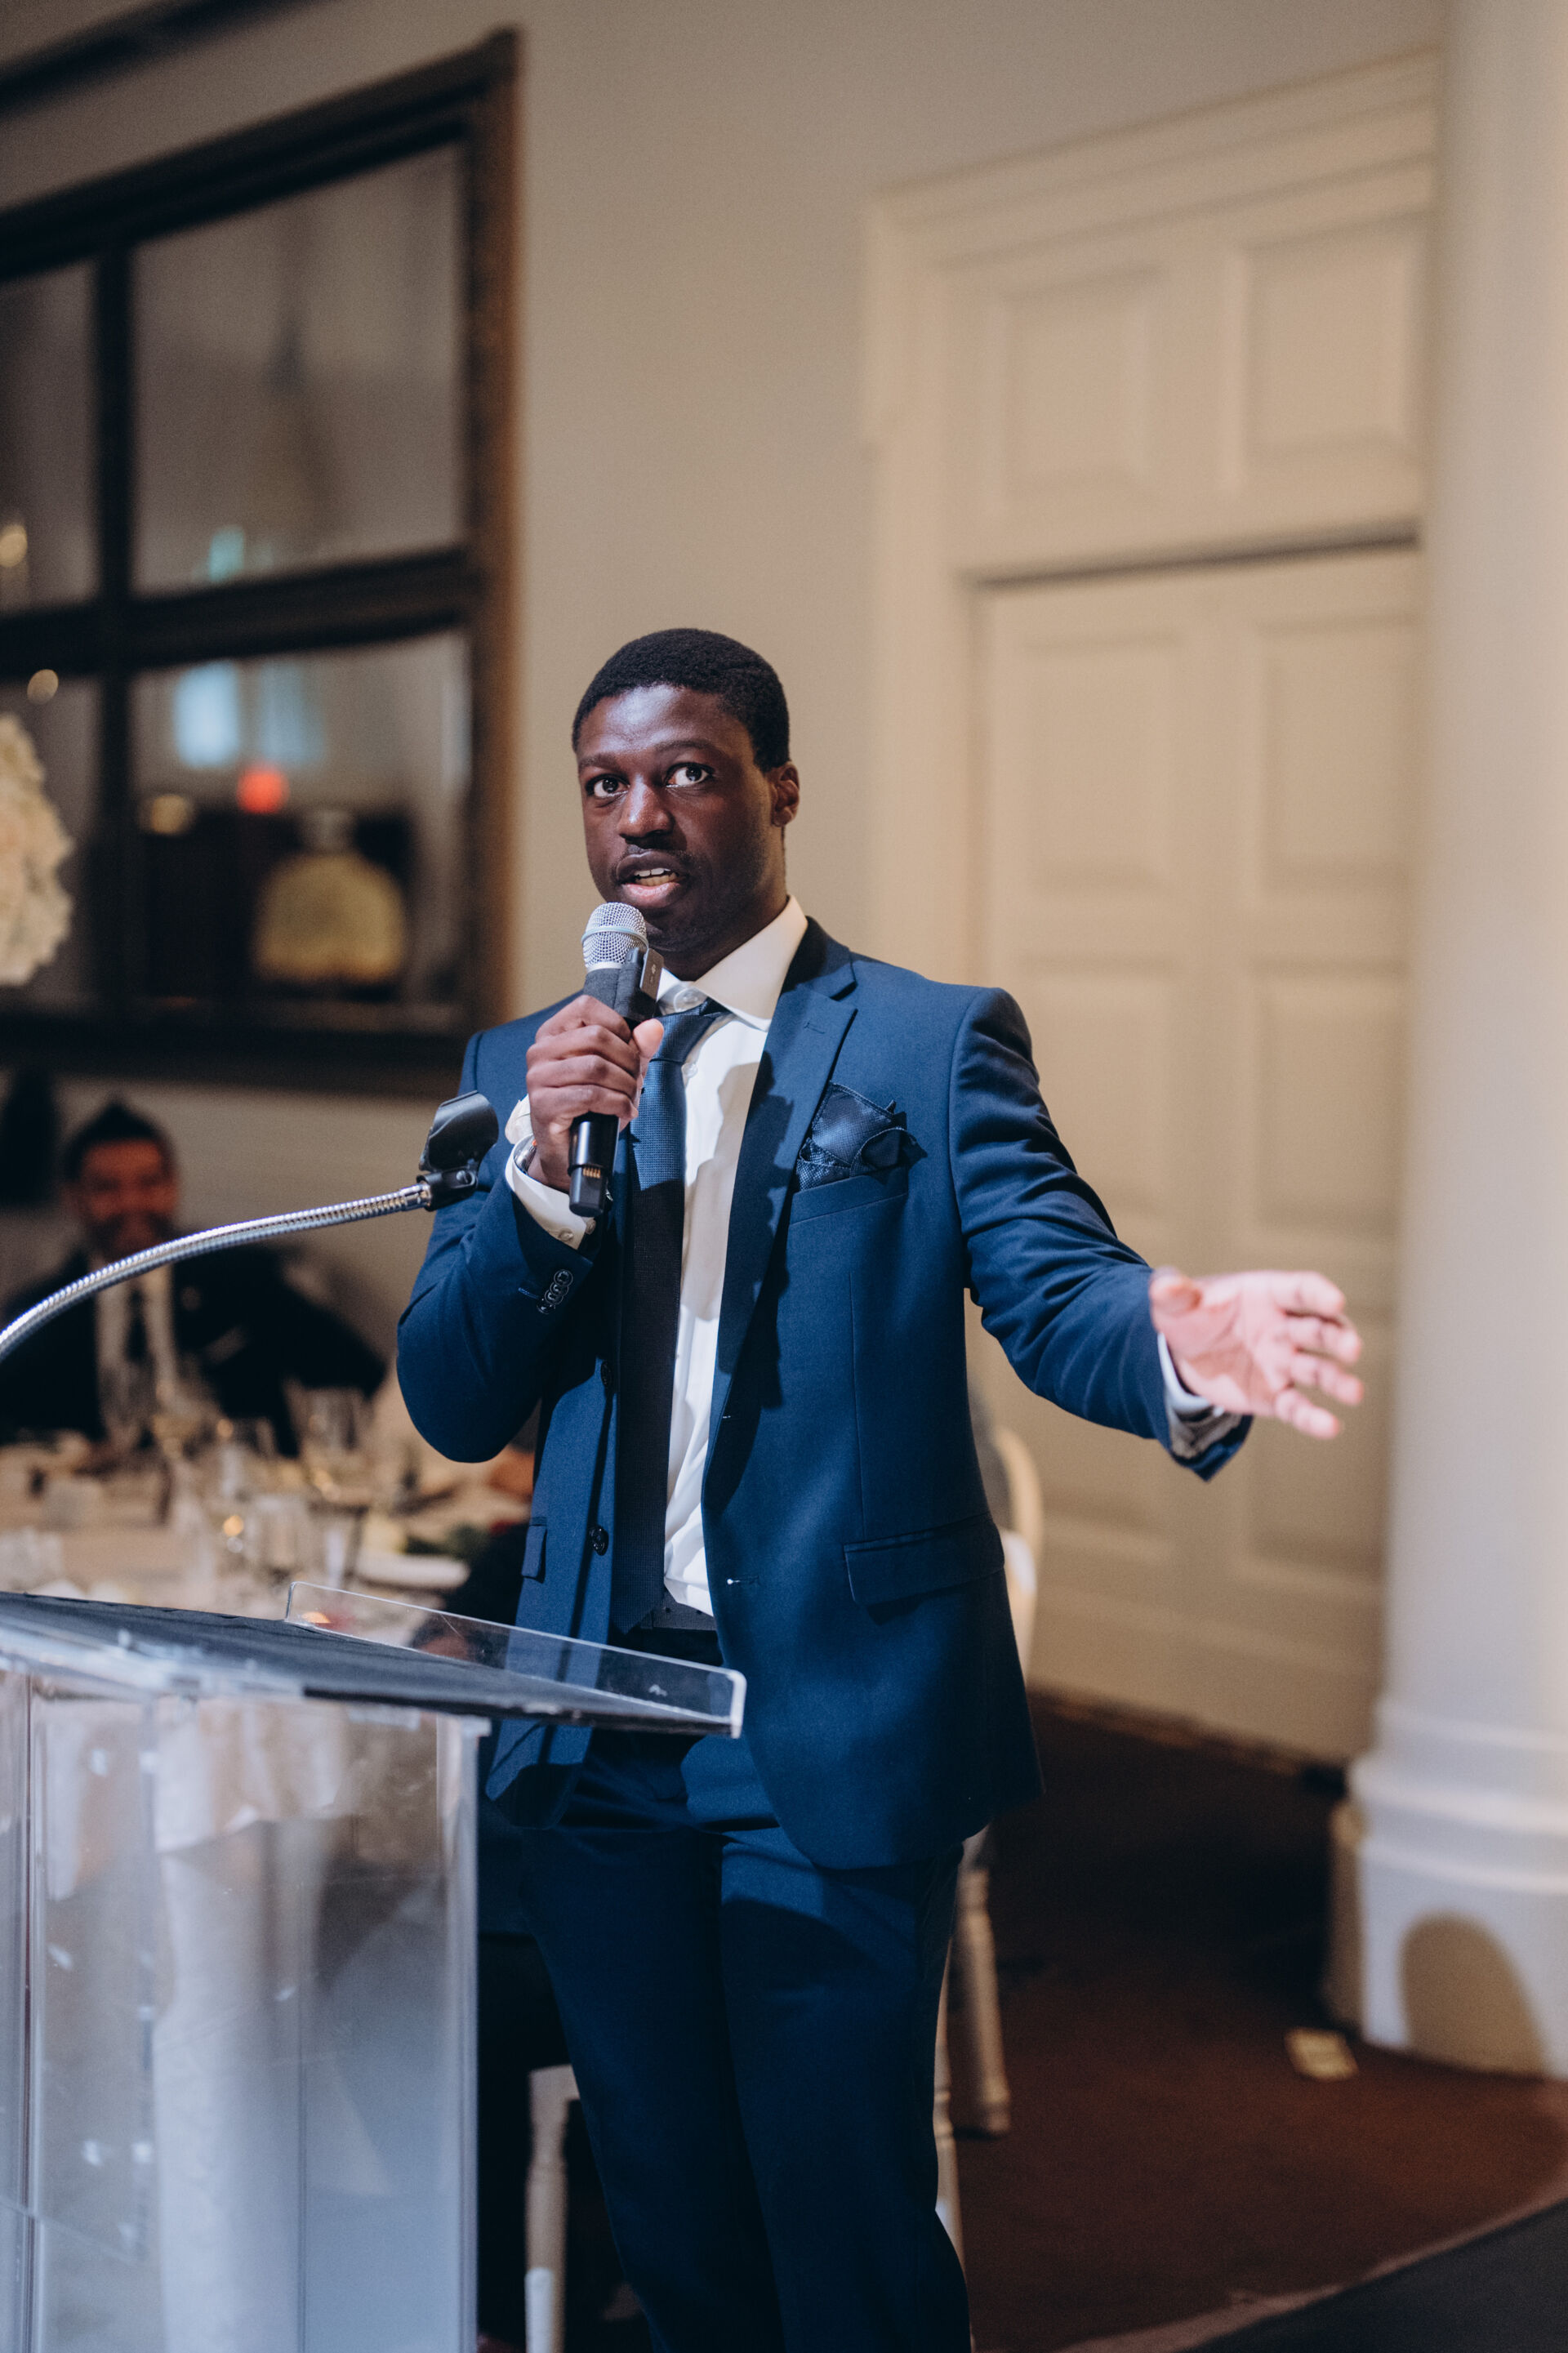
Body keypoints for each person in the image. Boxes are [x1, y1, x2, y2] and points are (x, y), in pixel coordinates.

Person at [398, 629, 1363, 2353]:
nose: (641, 817)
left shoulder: (925, 1042)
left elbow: (1057, 1287)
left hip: (824, 1727)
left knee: (845, 2233)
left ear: (780, 790)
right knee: (673, 2230)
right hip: (597, 1731)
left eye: (688, 773)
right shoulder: (520, 1072)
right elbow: (453, 1397)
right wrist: (541, 1181)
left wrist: (1175, 1340)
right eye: (606, 784)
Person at [0, 1099, 384, 1453]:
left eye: (149, 1183)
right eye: (107, 1188)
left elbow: (360, 1375)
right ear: (73, 1197)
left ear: (174, 1185)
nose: (131, 1202)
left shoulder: (245, 1282)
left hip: (234, 1488)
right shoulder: (37, 1315)